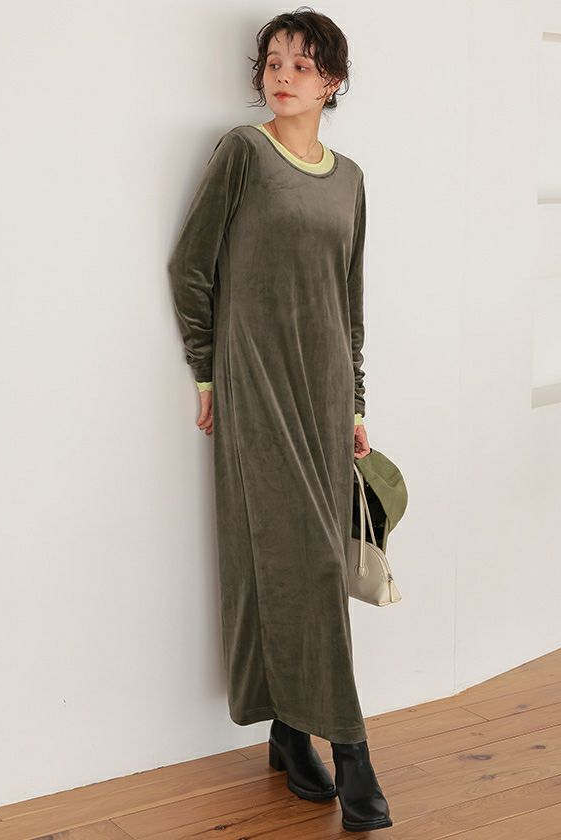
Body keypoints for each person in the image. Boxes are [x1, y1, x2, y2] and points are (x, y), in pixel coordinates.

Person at [167, 7, 392, 832]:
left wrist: (355, 400)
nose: (284, 75)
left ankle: (290, 730)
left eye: (303, 63)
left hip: (325, 394)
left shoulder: (351, 179)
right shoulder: (242, 153)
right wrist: (205, 370)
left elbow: (349, 301)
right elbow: (191, 266)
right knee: (300, 566)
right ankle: (353, 753)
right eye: (273, 62)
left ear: (333, 81)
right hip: (256, 386)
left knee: (306, 566)